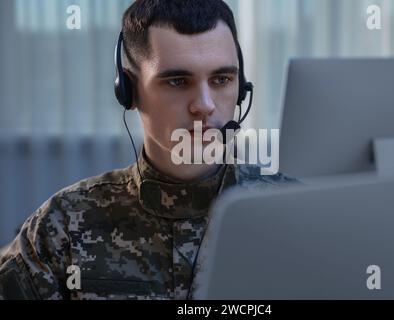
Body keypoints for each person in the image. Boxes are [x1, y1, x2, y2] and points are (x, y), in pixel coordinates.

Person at [0, 0, 298, 300]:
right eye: (178, 81)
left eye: (222, 79)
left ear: (241, 88)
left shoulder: (294, 212)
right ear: (129, 92)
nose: (205, 105)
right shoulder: (62, 225)